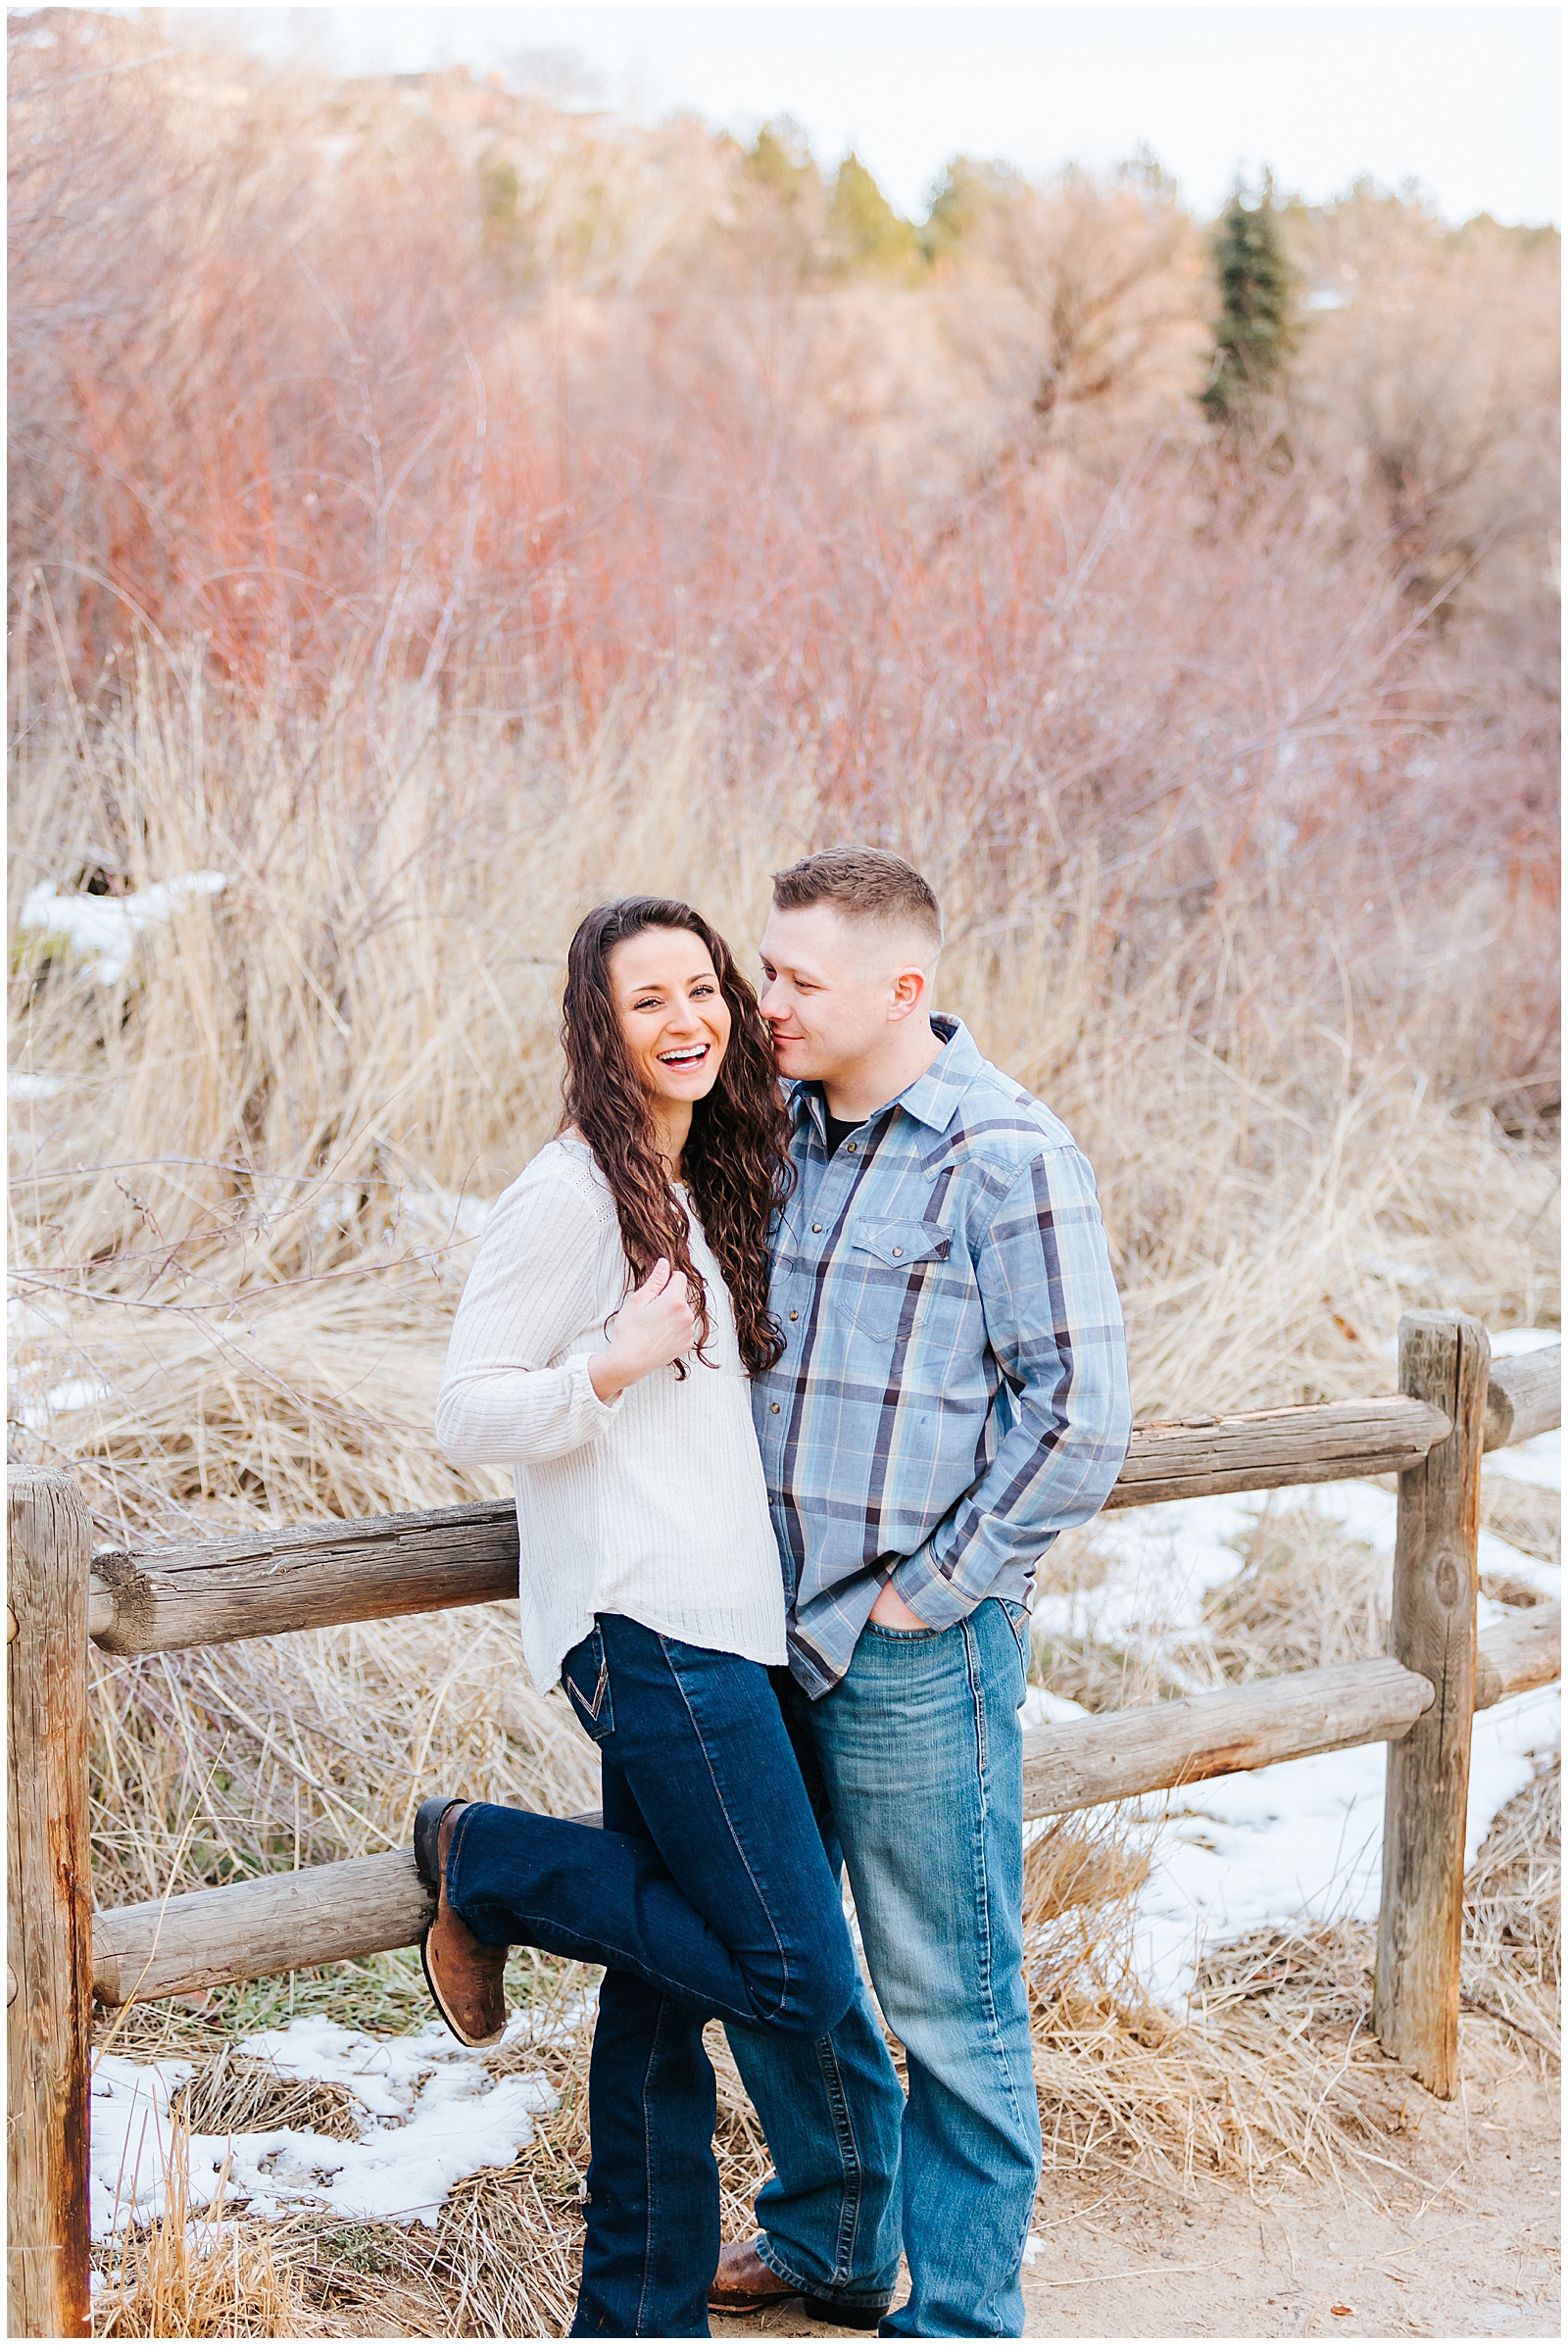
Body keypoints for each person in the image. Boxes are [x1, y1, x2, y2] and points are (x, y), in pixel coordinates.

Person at [427, 896, 865, 2340]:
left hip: (722, 1628)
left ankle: (635, 2311)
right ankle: (480, 1852)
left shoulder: (701, 1177)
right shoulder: (570, 1194)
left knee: (662, 1994)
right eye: (647, 1003)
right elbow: (463, 1406)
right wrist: (608, 1366)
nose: (688, 1022)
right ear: (598, 1031)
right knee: (792, 1971)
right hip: (647, 1633)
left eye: (703, 991)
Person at [709, 848, 1132, 2340]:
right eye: (766, 969)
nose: (766, 1002)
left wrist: (933, 1589)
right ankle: (828, 2242)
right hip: (753, 1633)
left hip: (906, 1649)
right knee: (777, 1958)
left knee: (948, 1997)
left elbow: (1079, 1413)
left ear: (907, 987)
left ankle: (959, 2311)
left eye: (797, 979)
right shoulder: (781, 1136)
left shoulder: (1008, 1154)